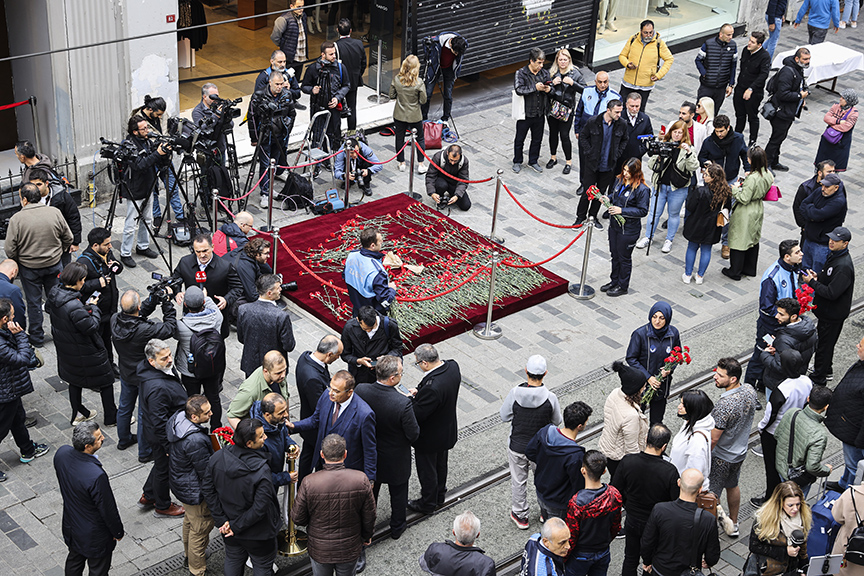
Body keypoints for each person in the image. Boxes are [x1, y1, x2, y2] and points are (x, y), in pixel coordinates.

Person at [202, 418, 281, 576]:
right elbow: (260, 508)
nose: (265, 437)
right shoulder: (261, 471)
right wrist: (235, 526)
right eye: (261, 436)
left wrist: (223, 521)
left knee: (233, 558)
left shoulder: (217, 458)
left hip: (229, 526)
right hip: (258, 532)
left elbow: (207, 489)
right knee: (262, 566)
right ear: (249, 444)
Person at [291, 433, 376, 576]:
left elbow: (298, 518)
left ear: (322, 454)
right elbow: (369, 515)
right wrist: (366, 536)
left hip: (320, 549)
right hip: (349, 548)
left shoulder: (309, 482)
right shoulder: (361, 479)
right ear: (345, 454)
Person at [354, 356, 419, 539]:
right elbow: (413, 434)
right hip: (395, 458)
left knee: (370, 496)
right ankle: (397, 527)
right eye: (400, 373)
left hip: (369, 456)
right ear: (392, 378)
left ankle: (366, 529)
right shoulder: (403, 404)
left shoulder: (361, 390)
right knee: (398, 494)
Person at [46, 262, 116, 426]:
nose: (84, 283)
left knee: (74, 380)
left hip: (66, 348)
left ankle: (78, 412)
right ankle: (111, 417)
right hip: (85, 350)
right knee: (106, 381)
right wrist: (92, 308)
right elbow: (91, 327)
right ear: (76, 281)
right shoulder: (74, 306)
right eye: (83, 280)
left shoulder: (55, 293)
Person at [4, 182, 73, 347]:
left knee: (34, 303)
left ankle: (36, 337)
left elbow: (9, 249)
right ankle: (62, 333)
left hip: (30, 268)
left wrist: (19, 259)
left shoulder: (17, 219)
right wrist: (58, 251)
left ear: (25, 200)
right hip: (54, 264)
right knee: (57, 299)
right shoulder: (54, 213)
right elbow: (68, 237)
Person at [111, 288, 177, 458]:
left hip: (126, 371)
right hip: (143, 375)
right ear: (138, 306)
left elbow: (135, 316)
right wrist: (167, 303)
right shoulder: (143, 330)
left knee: (125, 407)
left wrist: (152, 300)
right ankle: (144, 452)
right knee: (143, 413)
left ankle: (123, 439)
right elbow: (169, 327)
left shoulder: (115, 320)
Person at [501, 354, 563, 530]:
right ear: (545, 373)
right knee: (542, 480)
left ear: (526, 371)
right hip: (540, 449)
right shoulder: (550, 397)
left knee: (518, 481)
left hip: (517, 446)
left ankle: (520, 516)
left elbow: (504, 416)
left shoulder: (514, 393)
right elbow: (557, 421)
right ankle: (545, 512)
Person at [54, 422, 123, 576]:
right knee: (98, 569)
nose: (103, 438)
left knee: (74, 561)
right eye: (99, 438)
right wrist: (117, 531)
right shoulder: (96, 475)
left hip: (72, 526)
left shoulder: (62, 454)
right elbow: (107, 508)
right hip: (95, 535)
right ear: (87, 446)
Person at [612, 424, 680, 576]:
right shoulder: (670, 471)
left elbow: (615, 490)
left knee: (630, 557)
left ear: (645, 439)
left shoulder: (628, 461)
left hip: (632, 519)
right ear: (664, 446)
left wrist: (627, 503)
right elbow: (675, 502)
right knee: (651, 560)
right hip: (656, 524)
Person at [291, 369, 377, 482]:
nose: (331, 393)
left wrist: (370, 479)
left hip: (346, 470)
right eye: (331, 387)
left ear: (349, 392)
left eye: (336, 391)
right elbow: (315, 420)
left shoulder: (364, 414)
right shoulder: (326, 396)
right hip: (322, 463)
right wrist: (293, 426)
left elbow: (369, 449)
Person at [751, 350, 812, 508]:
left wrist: (761, 428)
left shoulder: (782, 389)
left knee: (772, 467)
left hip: (774, 432)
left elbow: (770, 415)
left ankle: (770, 498)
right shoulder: (806, 381)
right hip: (795, 428)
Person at [743, 240, 804, 390]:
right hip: (770, 326)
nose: (801, 254)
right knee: (760, 356)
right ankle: (748, 389)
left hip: (785, 324)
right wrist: (786, 315)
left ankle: (763, 384)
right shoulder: (772, 277)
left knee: (777, 356)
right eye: (797, 252)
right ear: (787, 257)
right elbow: (766, 307)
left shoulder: (793, 269)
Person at [0, 298, 49, 482]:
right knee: (2, 427)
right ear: (5, 319)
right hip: (4, 392)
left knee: (18, 419)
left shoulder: (3, 332)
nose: (15, 318)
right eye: (12, 315)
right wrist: (20, 335)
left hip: (10, 388)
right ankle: (27, 448)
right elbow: (21, 359)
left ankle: (27, 449)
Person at [409, 343, 461, 515]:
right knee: (441, 464)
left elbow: (418, 413)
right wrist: (420, 392)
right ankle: (439, 494)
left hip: (429, 437)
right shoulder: (453, 366)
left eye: (417, 363)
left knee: (427, 470)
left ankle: (428, 502)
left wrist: (411, 399)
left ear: (424, 363)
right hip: (447, 430)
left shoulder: (432, 387)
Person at [137, 338, 187, 517]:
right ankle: (163, 505)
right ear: (151, 361)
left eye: (169, 355)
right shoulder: (157, 387)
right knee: (164, 468)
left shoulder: (156, 369)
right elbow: (159, 421)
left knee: (160, 464)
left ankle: (149, 494)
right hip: (162, 435)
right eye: (164, 358)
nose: (170, 360)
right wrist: (168, 446)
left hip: (158, 431)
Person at [167, 395, 215, 576]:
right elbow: (205, 472)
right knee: (200, 528)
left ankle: (189, 555)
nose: (211, 414)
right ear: (194, 417)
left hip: (182, 485)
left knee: (190, 521)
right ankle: (198, 569)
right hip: (194, 490)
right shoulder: (194, 440)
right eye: (207, 412)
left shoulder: (178, 420)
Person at [710, 357, 758, 536]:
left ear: (733, 379)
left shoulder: (725, 405)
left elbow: (714, 438)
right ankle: (735, 522)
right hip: (739, 452)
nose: (715, 377)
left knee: (712, 493)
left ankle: (711, 530)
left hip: (722, 455)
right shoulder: (749, 390)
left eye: (720, 376)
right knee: (733, 485)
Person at [641, 468, 721, 576]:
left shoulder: (660, 509)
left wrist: (647, 561)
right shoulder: (708, 519)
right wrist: (708, 562)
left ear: (679, 483)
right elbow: (713, 555)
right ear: (700, 489)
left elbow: (647, 542)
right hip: (689, 572)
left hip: (660, 569)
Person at [803, 226, 855, 385]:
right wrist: (819, 277)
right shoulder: (836, 256)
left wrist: (812, 283)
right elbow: (829, 277)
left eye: (836, 240)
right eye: (831, 238)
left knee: (824, 346)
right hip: (827, 311)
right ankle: (826, 369)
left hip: (832, 314)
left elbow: (832, 293)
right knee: (826, 343)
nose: (831, 242)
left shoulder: (844, 266)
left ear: (844, 244)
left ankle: (819, 378)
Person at [637, 120, 698, 253]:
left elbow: (693, 167)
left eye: (680, 133)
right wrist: (658, 156)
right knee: (654, 212)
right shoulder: (663, 144)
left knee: (673, 214)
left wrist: (688, 153)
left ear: (684, 134)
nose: (676, 135)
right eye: (675, 132)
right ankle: (648, 237)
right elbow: (651, 165)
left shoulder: (688, 148)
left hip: (678, 188)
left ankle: (669, 240)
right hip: (660, 185)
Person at [526, 401, 592, 520]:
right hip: (559, 502)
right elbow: (578, 485)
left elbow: (530, 452)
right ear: (580, 426)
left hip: (541, 492)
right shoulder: (575, 455)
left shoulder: (545, 432)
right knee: (558, 534)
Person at [128, 95, 185, 225]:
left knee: (172, 187)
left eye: (162, 114)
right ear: (149, 109)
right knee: (152, 190)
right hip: (150, 158)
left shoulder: (162, 114)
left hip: (165, 156)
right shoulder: (138, 121)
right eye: (158, 114)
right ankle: (156, 216)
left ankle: (180, 215)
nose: (160, 117)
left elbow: (167, 130)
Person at [564, 450, 622, 576]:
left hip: (581, 553)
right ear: (604, 471)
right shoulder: (614, 495)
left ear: (583, 470)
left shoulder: (576, 504)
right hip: (603, 550)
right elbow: (616, 526)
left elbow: (572, 535)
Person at [295, 335, 344, 482]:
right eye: (338, 355)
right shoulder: (312, 379)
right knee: (315, 459)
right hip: (315, 428)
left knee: (307, 455)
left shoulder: (305, 357)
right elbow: (321, 408)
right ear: (329, 354)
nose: (338, 358)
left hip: (307, 420)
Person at [117, 117, 164, 268]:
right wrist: (157, 153)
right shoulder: (128, 146)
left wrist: (163, 153)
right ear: (134, 131)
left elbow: (154, 161)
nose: (147, 131)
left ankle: (143, 246)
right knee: (131, 223)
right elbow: (140, 165)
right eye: (143, 129)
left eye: (147, 127)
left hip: (148, 186)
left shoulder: (148, 140)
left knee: (148, 219)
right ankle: (125, 253)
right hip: (134, 189)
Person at [175, 286, 225, 429]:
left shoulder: (181, 325)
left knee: (192, 400)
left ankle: (194, 427)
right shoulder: (217, 317)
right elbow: (211, 306)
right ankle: (217, 429)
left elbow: (171, 330)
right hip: (212, 367)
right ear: (203, 303)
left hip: (190, 371)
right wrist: (205, 296)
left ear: (185, 305)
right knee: (214, 398)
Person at [574, 100, 628, 229]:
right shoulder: (594, 121)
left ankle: (593, 215)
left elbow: (625, 139)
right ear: (608, 110)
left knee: (601, 193)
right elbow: (583, 136)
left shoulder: (621, 124)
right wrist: (589, 152)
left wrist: (617, 154)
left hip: (608, 165)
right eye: (617, 112)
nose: (619, 115)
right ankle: (580, 217)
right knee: (588, 192)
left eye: (620, 112)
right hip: (592, 164)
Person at [626, 301, 681, 425]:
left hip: (661, 385)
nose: (657, 321)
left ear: (667, 319)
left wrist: (669, 369)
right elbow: (631, 358)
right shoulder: (640, 334)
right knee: (637, 419)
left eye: (661, 318)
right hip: (642, 386)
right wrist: (648, 377)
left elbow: (677, 355)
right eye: (654, 317)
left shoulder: (673, 333)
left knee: (657, 422)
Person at [722, 145, 773, 280]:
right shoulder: (767, 173)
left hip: (746, 211)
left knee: (739, 240)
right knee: (753, 239)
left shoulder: (752, 178)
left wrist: (735, 189)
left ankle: (735, 271)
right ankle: (749, 268)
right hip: (758, 208)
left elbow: (744, 198)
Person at [249, 70, 298, 209]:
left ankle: (270, 189)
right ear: (270, 82)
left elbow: (292, 113)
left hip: (280, 136)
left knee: (274, 163)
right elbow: (252, 117)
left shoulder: (287, 94)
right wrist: (254, 137)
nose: (279, 86)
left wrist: (286, 127)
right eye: (277, 84)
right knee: (265, 164)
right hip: (264, 136)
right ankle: (264, 193)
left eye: (281, 84)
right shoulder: (258, 95)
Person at [603, 155, 650, 294]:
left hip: (628, 230)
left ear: (636, 172)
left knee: (624, 258)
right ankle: (614, 281)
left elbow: (642, 210)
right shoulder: (620, 181)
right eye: (624, 170)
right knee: (614, 255)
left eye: (628, 171)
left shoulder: (642, 189)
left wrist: (621, 211)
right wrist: (608, 198)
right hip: (614, 226)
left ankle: (622, 286)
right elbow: (614, 195)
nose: (625, 173)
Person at [78, 228, 123, 373]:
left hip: (110, 308)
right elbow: (79, 286)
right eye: (106, 244)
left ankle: (110, 365)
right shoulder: (84, 262)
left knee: (107, 339)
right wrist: (98, 283)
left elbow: (117, 267)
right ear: (95, 245)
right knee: (95, 344)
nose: (110, 246)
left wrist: (116, 266)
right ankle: (97, 373)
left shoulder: (107, 253)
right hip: (96, 311)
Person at [774, 386, 833, 497]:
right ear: (826, 407)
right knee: (797, 503)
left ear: (808, 398)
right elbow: (812, 466)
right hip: (798, 477)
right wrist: (826, 470)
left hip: (782, 467)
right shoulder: (819, 434)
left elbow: (777, 434)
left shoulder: (793, 412)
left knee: (785, 497)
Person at [301, 41, 351, 167]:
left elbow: (346, 85)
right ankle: (316, 164)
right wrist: (312, 90)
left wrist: (338, 98)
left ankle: (330, 159)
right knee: (317, 136)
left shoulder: (340, 67)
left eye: (334, 53)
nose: (334, 56)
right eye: (330, 54)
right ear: (323, 55)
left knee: (333, 134)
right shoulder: (313, 68)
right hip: (317, 108)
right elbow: (304, 86)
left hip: (334, 109)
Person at [681, 162, 732, 284]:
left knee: (692, 248)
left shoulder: (701, 191)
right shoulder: (725, 193)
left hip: (696, 224)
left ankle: (688, 275)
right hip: (712, 227)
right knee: (706, 250)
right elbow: (728, 209)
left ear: (713, 178)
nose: (704, 176)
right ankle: (700, 276)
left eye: (707, 174)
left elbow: (690, 206)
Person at [825, 336, 864, 491]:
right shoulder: (861, 364)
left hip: (855, 433)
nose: (857, 345)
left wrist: (860, 442)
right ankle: (843, 484)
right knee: (850, 462)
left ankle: (850, 497)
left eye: (860, 345)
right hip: (849, 426)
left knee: (855, 466)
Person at [172, 234, 235, 330]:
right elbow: (175, 279)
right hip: (190, 315)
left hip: (215, 315)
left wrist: (226, 299)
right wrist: (177, 292)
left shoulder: (225, 266)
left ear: (212, 247)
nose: (202, 255)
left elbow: (237, 287)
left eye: (205, 251)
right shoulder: (185, 262)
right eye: (198, 252)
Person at [237, 274, 295, 378]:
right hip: (274, 369)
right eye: (278, 288)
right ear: (269, 293)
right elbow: (289, 346)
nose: (281, 289)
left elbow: (241, 338)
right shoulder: (281, 316)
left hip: (251, 365)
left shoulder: (243, 309)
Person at [749, 482, 811, 576]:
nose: (795, 509)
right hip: (768, 570)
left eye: (798, 504)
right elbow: (754, 546)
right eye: (790, 505)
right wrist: (785, 551)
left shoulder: (803, 516)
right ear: (780, 503)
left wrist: (805, 567)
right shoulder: (764, 519)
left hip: (790, 569)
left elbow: (802, 545)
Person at [597, 362, 647, 479]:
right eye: (643, 386)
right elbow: (631, 448)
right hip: (619, 456)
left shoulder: (615, 393)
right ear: (636, 389)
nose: (645, 388)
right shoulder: (631, 415)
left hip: (608, 446)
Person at [573, 72, 620, 194]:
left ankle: (597, 186)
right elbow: (579, 111)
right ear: (595, 82)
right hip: (587, 132)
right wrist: (577, 129)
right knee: (584, 159)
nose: (603, 85)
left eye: (605, 82)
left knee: (600, 159)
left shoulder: (615, 97)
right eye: (600, 82)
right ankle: (584, 184)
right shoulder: (587, 92)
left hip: (603, 134)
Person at [765, 48, 811, 172]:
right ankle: (766, 163)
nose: (807, 62)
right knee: (776, 138)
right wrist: (799, 96)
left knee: (780, 137)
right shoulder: (788, 72)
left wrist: (802, 98)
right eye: (805, 59)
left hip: (789, 112)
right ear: (797, 59)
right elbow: (782, 94)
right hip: (781, 112)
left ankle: (774, 161)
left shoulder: (798, 69)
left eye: (808, 59)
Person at [760, 299, 817, 394]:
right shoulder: (809, 327)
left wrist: (765, 354)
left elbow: (780, 367)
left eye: (781, 314)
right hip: (798, 375)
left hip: (778, 383)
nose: (776, 316)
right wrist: (778, 346)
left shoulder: (784, 339)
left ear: (793, 317)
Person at [27, 167, 81, 268]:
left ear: (46, 183)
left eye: (39, 184)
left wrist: (75, 242)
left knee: (64, 270)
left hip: (61, 242)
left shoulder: (62, 196)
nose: (36, 188)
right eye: (33, 185)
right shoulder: (29, 198)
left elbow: (73, 218)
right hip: (40, 243)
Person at [617, 20, 674, 111]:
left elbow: (669, 59)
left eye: (650, 32)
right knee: (621, 108)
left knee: (639, 111)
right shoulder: (633, 39)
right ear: (640, 31)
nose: (648, 35)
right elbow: (622, 55)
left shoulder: (659, 43)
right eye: (645, 33)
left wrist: (659, 75)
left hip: (645, 85)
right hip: (628, 83)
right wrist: (627, 64)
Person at [546, 48, 586, 175]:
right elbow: (545, 88)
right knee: (553, 133)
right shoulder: (552, 73)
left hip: (566, 110)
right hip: (553, 108)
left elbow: (585, 90)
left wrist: (573, 83)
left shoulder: (575, 73)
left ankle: (568, 162)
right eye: (560, 59)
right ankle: (553, 157)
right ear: (557, 61)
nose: (562, 62)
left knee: (564, 135)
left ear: (569, 60)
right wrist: (552, 83)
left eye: (565, 59)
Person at [340, 305, 404, 384]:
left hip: (382, 376)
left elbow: (397, 348)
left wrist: (386, 358)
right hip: (358, 375)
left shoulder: (389, 325)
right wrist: (358, 361)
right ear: (357, 319)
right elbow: (345, 354)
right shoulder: (349, 328)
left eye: (372, 328)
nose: (369, 331)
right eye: (365, 329)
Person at [420, 511, 496, 576]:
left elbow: (424, 564)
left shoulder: (435, 549)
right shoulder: (485, 565)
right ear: (478, 535)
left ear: (453, 532)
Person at [513, 47, 552, 174]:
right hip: (525, 113)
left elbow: (550, 87)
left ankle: (533, 160)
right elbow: (519, 89)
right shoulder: (521, 73)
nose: (541, 65)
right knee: (520, 139)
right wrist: (534, 87)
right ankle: (517, 161)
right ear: (531, 61)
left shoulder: (544, 73)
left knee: (537, 139)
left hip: (539, 112)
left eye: (542, 62)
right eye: (539, 62)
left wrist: (548, 89)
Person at [799, 172, 846, 274]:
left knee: (817, 273)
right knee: (804, 270)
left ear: (836, 188)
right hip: (809, 238)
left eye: (827, 186)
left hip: (822, 245)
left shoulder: (838, 202)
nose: (823, 188)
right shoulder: (820, 191)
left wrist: (811, 212)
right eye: (823, 185)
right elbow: (803, 205)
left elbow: (818, 215)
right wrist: (813, 213)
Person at [227, 351, 289, 428]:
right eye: (278, 373)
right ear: (266, 371)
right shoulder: (250, 391)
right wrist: (253, 436)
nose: (283, 375)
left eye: (284, 370)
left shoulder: (279, 376)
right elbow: (232, 416)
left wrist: (287, 425)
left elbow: (286, 397)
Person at [342, 228, 397, 315]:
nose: (382, 241)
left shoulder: (351, 255)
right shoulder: (376, 272)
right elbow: (384, 302)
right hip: (371, 315)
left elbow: (345, 275)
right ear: (372, 245)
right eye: (380, 241)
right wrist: (392, 290)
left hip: (356, 307)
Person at [389, 55, 428, 174]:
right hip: (414, 115)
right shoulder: (419, 83)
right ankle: (421, 164)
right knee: (420, 138)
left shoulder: (397, 79)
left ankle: (401, 163)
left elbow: (391, 95)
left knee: (399, 138)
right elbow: (423, 100)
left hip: (399, 114)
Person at [250, 393, 298, 488]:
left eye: (285, 410)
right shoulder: (258, 440)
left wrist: (291, 444)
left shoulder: (277, 420)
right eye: (281, 413)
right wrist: (285, 478)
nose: (286, 415)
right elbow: (260, 475)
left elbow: (283, 435)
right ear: (267, 415)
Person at [668, 391, 715, 486]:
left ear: (694, 409)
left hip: (684, 487)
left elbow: (694, 473)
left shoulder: (697, 440)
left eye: (683, 405)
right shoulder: (691, 422)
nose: (679, 407)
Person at [734, 32, 771, 146]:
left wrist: (751, 88)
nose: (749, 43)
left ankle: (753, 140)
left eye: (752, 42)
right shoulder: (746, 50)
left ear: (759, 45)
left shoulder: (764, 57)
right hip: (740, 88)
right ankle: (737, 136)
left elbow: (763, 75)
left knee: (752, 116)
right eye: (749, 40)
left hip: (754, 92)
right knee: (739, 115)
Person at [421, 31, 468, 122]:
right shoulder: (438, 42)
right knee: (428, 92)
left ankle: (446, 117)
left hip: (449, 69)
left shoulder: (461, 44)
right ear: (450, 45)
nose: (456, 55)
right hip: (435, 67)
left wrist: (455, 73)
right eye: (455, 52)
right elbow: (424, 42)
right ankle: (423, 117)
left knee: (448, 94)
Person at [793, 161, 840, 244]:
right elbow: (797, 207)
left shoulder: (836, 187)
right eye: (829, 172)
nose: (833, 174)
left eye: (833, 171)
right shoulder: (806, 187)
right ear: (820, 173)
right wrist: (804, 225)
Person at [695, 24, 738, 112]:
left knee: (714, 112)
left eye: (732, 34)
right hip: (707, 86)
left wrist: (731, 84)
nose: (731, 37)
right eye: (728, 35)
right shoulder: (708, 44)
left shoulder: (733, 46)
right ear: (721, 34)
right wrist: (704, 74)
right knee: (699, 111)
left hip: (721, 87)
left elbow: (733, 66)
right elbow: (698, 60)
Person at [697, 115, 750, 185]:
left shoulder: (738, 139)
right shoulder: (709, 142)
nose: (719, 134)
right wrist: (705, 162)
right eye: (717, 131)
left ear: (728, 128)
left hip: (731, 179)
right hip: (713, 180)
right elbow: (701, 157)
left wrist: (748, 169)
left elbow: (744, 155)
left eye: (721, 131)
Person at [814, 90, 858, 171]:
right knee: (820, 167)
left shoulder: (853, 113)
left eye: (843, 98)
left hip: (840, 144)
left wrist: (832, 123)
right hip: (827, 140)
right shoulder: (835, 106)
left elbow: (846, 127)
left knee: (834, 170)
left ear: (849, 101)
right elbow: (826, 118)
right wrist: (838, 121)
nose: (840, 99)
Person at [335, 19, 366, 130]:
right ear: (351, 31)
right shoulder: (358, 44)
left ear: (337, 30)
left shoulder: (336, 46)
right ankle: (351, 133)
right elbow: (363, 63)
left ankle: (337, 134)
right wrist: (357, 75)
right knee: (352, 108)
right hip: (353, 81)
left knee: (337, 108)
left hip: (340, 83)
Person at [227, 238, 273, 311]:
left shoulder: (245, 252)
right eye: (266, 253)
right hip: (229, 299)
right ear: (257, 254)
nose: (269, 256)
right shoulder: (245, 267)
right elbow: (252, 296)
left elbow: (267, 271)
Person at [425, 144, 472, 211]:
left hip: (453, 182)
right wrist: (432, 193)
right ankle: (440, 197)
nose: (452, 163)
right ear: (447, 153)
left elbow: (463, 180)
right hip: (440, 180)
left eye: (455, 161)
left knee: (466, 205)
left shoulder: (464, 161)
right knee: (441, 185)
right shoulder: (438, 157)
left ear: (460, 155)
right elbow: (430, 176)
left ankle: (451, 195)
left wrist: (457, 195)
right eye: (451, 160)